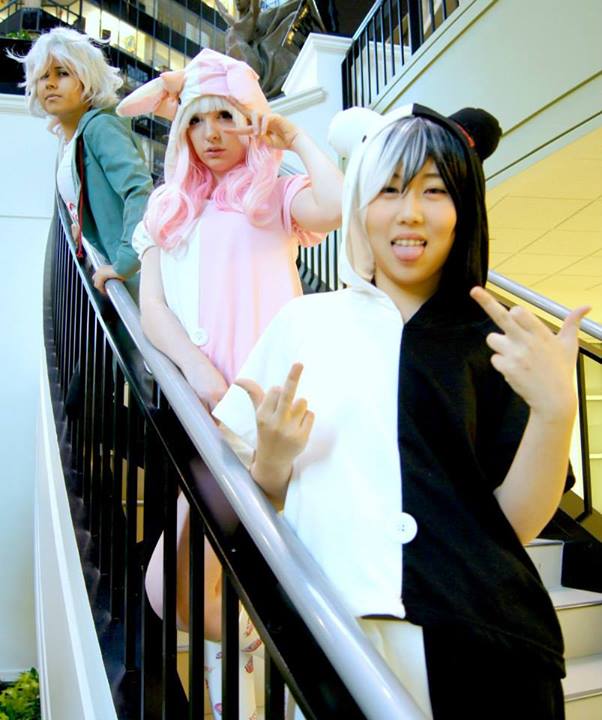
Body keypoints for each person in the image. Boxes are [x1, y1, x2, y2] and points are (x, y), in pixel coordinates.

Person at [213, 103, 589, 718]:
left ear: (464, 210)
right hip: (337, 638)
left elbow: (511, 525)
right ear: (359, 204)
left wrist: (555, 410)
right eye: (388, 189)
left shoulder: (498, 340)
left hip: (488, 646)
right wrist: (271, 465)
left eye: (435, 191)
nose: (410, 212)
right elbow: (242, 497)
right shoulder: (303, 323)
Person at [116, 47, 342, 718]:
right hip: (209, 412)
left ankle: (292, 664)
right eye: (196, 118)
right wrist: (201, 373)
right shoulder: (168, 208)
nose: (210, 133)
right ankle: (270, 650)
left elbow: (336, 206)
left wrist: (295, 138)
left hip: (276, 411)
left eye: (226, 116)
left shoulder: (273, 193)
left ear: (251, 121)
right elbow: (153, 311)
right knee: (179, 585)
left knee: (264, 559)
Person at [10, 27, 153, 296]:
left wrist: (125, 262)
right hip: (107, 279)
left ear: (88, 78)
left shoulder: (101, 127)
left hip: (133, 279)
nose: (50, 83)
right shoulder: (71, 141)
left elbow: (140, 191)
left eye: (62, 73)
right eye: (43, 76)